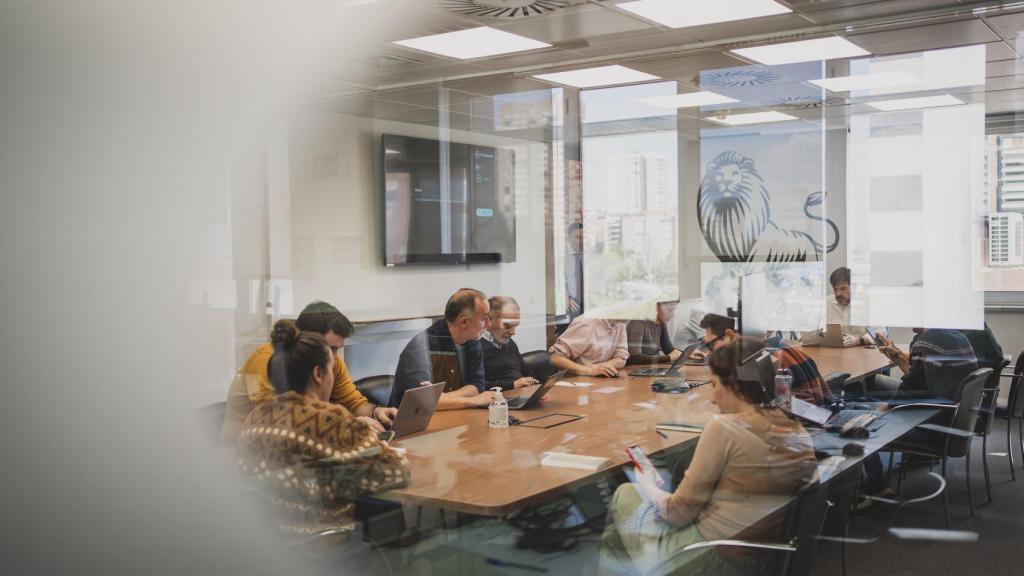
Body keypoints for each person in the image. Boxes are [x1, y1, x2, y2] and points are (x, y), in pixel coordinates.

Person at [600, 337, 816, 576]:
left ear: (733, 385)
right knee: (620, 536)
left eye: (714, 385)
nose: (712, 398)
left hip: (715, 560)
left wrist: (648, 483)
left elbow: (677, 513)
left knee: (625, 495)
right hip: (767, 558)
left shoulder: (726, 427)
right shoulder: (796, 428)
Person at [235, 320, 410, 537]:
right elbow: (396, 472)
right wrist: (381, 448)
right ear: (318, 374)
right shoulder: (329, 423)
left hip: (265, 548)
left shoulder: (256, 416)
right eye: (331, 369)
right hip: (325, 551)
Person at [221, 301, 396, 442]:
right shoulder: (266, 360)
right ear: (305, 339)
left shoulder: (331, 360)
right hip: (243, 456)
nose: (334, 357)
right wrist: (346, 425)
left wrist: (377, 412)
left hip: (298, 448)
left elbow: (353, 403)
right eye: (330, 348)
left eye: (338, 349)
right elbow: (275, 420)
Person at [389, 288, 498, 410]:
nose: (488, 324)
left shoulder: (472, 339)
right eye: (484, 318)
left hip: (453, 416)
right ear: (464, 322)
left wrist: (442, 398)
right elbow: (422, 402)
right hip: (411, 424)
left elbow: (477, 386)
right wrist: (472, 401)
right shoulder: (421, 347)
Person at [699, 313, 830, 405]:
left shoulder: (761, 365)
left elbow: (773, 415)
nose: (712, 351)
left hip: (799, 432)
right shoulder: (778, 348)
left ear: (730, 335)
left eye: (711, 345)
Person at [875, 329, 979, 400]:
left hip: (928, 413)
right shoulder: (960, 337)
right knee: (874, 381)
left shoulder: (925, 342)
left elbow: (908, 394)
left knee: (865, 406)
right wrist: (897, 357)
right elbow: (920, 379)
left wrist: (880, 411)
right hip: (947, 407)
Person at [481, 295, 539, 391]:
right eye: (508, 325)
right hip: (498, 401)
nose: (513, 333)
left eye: (515, 326)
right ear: (490, 320)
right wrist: (513, 384)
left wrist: (535, 386)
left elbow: (527, 373)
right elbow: (476, 387)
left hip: (521, 395)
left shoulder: (509, 342)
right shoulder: (476, 346)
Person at [549, 316, 629, 377]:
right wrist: (590, 370)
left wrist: (601, 368)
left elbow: (621, 359)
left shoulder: (620, 324)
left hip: (598, 381)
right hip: (575, 382)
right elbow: (555, 358)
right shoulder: (586, 323)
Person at [826, 267, 873, 347]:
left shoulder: (868, 303)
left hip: (861, 354)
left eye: (843, 289)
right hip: (832, 352)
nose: (838, 294)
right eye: (835, 289)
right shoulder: (826, 303)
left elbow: (881, 333)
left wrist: (859, 340)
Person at [625, 301, 682, 366]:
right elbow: (633, 358)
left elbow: (668, 349)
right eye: (669, 310)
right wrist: (668, 358)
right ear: (656, 307)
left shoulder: (661, 323)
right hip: (636, 371)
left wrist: (686, 354)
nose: (673, 315)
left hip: (651, 369)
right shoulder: (638, 323)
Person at [565, 221, 584, 322]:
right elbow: (552, 280)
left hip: (583, 307)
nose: (581, 241)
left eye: (583, 238)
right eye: (577, 237)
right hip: (568, 306)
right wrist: (563, 297)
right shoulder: (560, 255)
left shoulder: (584, 254)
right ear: (569, 237)